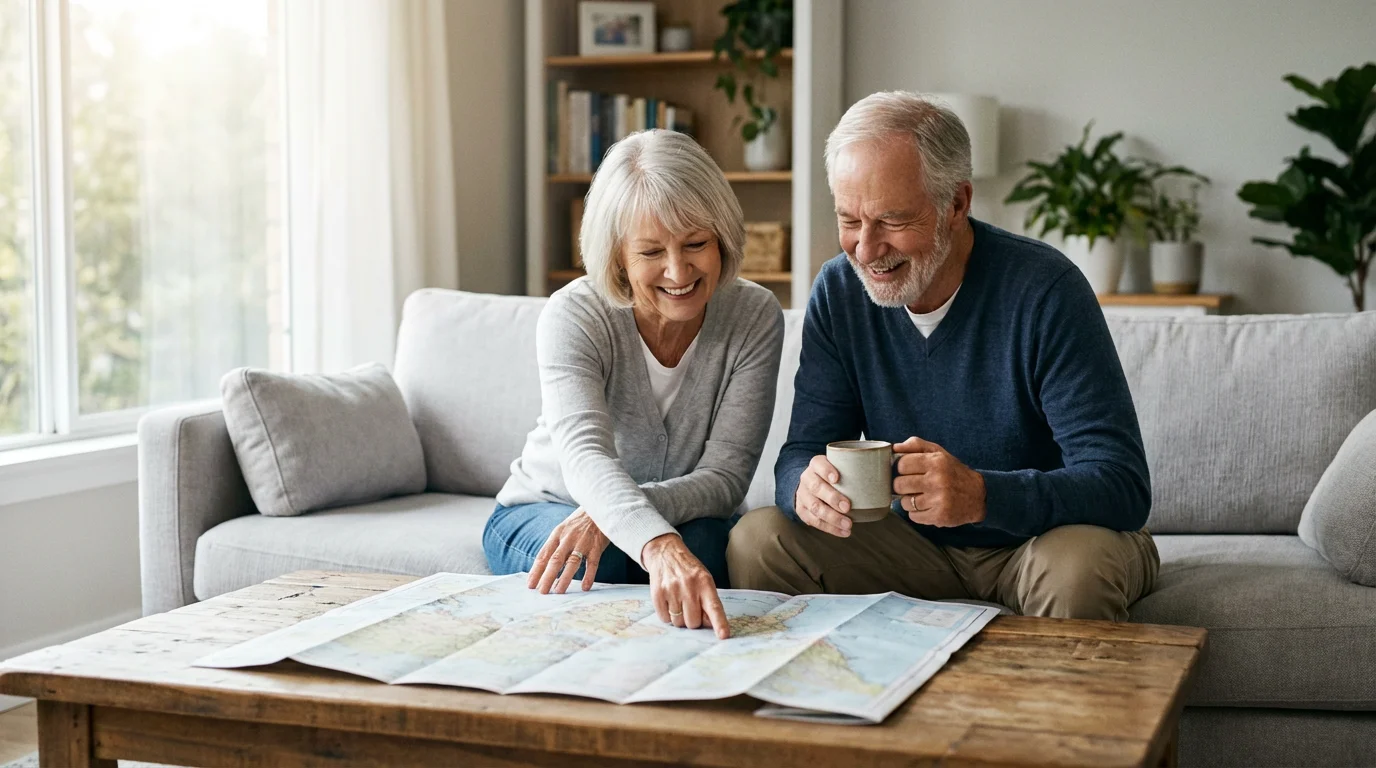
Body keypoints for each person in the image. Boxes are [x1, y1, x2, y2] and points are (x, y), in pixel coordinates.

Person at [726, 92, 1158, 621]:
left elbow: (1122, 484)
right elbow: (801, 452)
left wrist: (983, 495)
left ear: (956, 204)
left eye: (891, 220)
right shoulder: (839, 291)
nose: (866, 249)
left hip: (1040, 543)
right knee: (758, 540)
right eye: (849, 220)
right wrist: (804, 487)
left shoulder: (1046, 289)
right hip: (913, 547)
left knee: (1075, 573)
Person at [486, 129, 785, 639]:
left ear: (723, 238)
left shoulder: (754, 315)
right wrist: (651, 539)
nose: (678, 271)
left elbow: (725, 478)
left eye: (696, 244)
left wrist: (618, 518)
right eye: (650, 252)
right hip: (550, 506)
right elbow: (586, 457)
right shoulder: (576, 314)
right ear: (618, 256)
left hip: (681, 512)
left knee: (712, 551)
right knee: (601, 566)